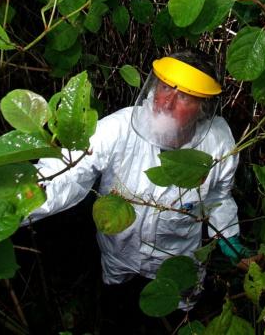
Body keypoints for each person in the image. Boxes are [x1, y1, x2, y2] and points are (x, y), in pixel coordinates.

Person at [27, 50, 245, 305]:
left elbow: (218, 193)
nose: (166, 102)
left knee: (181, 305)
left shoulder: (217, 144)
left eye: (184, 96)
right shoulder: (119, 128)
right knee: (116, 299)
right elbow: (67, 172)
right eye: (164, 87)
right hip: (118, 252)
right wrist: (10, 203)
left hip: (178, 259)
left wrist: (227, 232)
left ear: (203, 109)